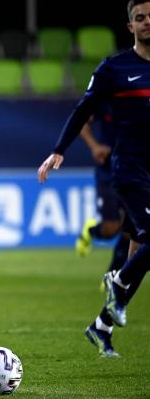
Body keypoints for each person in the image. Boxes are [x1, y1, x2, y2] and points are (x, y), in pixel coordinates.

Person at [38, 0, 150, 357]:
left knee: (139, 254)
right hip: (131, 172)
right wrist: (59, 149)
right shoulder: (114, 69)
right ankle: (116, 284)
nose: (147, 21)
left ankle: (100, 327)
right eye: (140, 17)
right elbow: (82, 108)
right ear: (130, 26)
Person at [76, 108, 129, 285]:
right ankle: (91, 230)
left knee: (132, 230)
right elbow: (81, 121)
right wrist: (95, 146)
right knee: (111, 229)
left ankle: (113, 278)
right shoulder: (105, 97)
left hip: (134, 170)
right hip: (108, 173)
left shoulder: (140, 95)